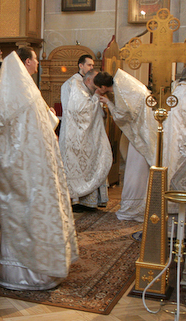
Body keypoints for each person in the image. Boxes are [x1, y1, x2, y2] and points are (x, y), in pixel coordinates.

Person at [0, 51, 78, 290]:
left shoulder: (6, 90)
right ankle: (46, 266)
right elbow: (50, 121)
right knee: (35, 213)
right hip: (38, 165)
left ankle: (24, 273)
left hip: (21, 168)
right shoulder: (21, 85)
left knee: (21, 211)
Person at [104, 69, 158, 222]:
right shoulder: (127, 84)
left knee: (136, 171)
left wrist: (108, 103)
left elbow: (121, 116)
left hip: (139, 136)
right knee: (141, 170)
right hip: (145, 131)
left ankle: (134, 208)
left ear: (103, 87)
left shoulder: (121, 90)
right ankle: (141, 206)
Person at [59, 70, 113, 210]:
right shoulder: (76, 87)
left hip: (88, 138)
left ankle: (91, 201)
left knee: (93, 162)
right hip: (76, 138)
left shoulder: (86, 90)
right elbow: (82, 112)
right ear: (89, 80)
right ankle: (77, 200)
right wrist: (96, 98)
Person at [59, 54, 94, 154]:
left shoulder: (88, 82)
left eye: (92, 65)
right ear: (81, 66)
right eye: (89, 65)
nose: (91, 68)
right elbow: (68, 107)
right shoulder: (71, 83)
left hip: (86, 125)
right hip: (73, 125)